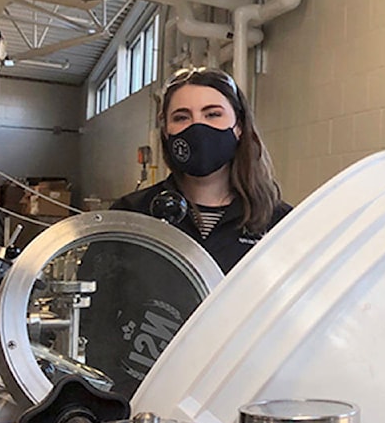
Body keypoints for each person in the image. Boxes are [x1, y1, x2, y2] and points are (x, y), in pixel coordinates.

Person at [79, 67, 291, 397]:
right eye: (182, 117)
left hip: (237, 402)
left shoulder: (277, 222)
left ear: (237, 126)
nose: (197, 127)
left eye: (213, 114)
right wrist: (115, 397)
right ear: (165, 130)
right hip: (140, 400)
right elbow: (93, 315)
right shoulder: (131, 214)